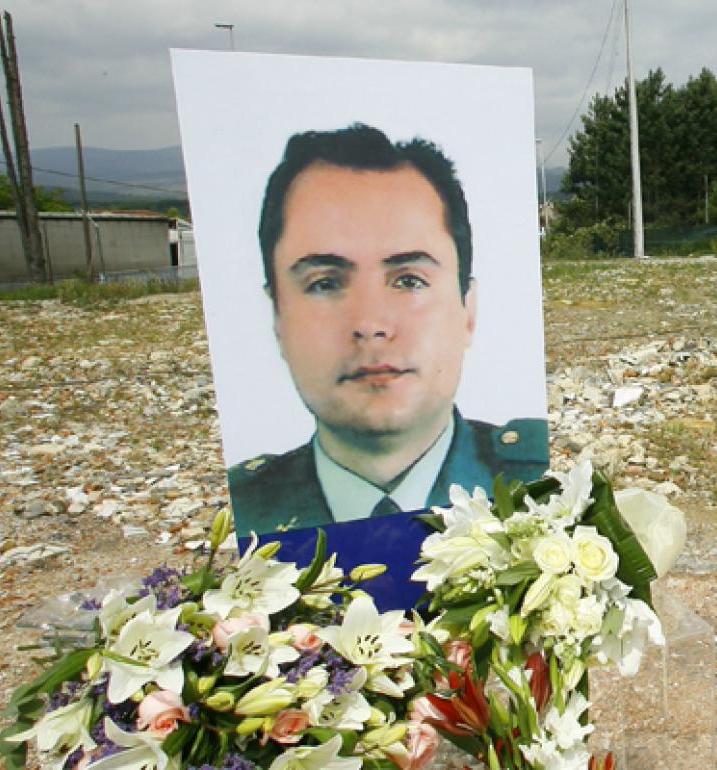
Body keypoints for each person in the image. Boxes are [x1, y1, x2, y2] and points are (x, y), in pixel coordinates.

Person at [229, 123, 547, 537]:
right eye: (324, 283)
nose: (371, 325)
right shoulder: (244, 514)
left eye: (409, 280)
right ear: (277, 317)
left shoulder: (541, 485)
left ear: (467, 308)